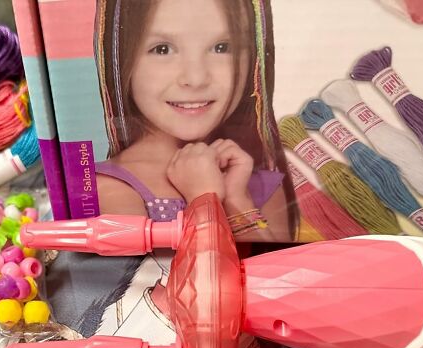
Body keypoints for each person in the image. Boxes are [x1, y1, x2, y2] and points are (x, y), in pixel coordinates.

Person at [94, 0, 297, 240]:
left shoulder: (258, 185)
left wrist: (237, 202)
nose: (196, 78)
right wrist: (204, 200)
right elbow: (186, 267)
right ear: (120, 59)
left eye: (222, 47)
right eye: (162, 49)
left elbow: (276, 266)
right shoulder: (107, 188)